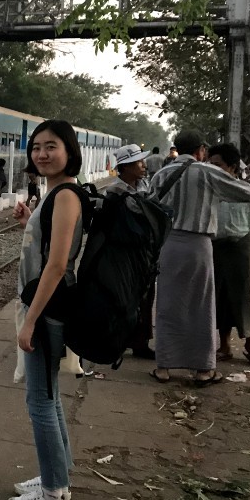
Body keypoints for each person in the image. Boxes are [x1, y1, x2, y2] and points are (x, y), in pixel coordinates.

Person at [147, 129, 250, 386]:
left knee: (167, 305)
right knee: (201, 306)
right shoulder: (206, 171)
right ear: (201, 151)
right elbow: (243, 191)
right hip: (198, 245)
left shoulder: (161, 174)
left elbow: (151, 206)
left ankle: (163, 367)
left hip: (169, 245)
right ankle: (203, 369)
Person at [8, 120, 84, 500]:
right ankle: (58, 478)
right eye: (36, 147)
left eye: (50, 146)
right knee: (49, 398)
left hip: (48, 310)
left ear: (69, 150)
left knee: (39, 401)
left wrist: (29, 321)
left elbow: (56, 266)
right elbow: (50, 248)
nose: (41, 154)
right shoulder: (55, 194)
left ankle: (52, 493)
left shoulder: (67, 196)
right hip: (47, 307)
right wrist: (29, 223)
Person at [208, 143, 250, 368]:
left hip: (242, 245)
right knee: (220, 295)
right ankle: (224, 346)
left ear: (232, 167)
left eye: (218, 165)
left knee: (245, 295)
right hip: (215, 246)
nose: (213, 170)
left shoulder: (245, 189)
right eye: (210, 165)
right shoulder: (210, 191)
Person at [105, 144, 155, 359]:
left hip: (145, 252)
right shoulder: (115, 192)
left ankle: (140, 341)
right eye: (138, 162)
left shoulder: (145, 185)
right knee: (123, 298)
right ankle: (118, 340)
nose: (143, 165)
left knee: (145, 297)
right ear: (125, 167)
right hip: (123, 254)